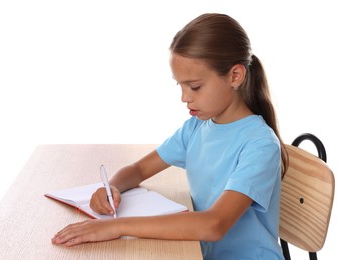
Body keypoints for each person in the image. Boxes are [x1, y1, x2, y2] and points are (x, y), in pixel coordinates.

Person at [52, 13, 288, 259]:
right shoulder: (196, 128)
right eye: (180, 85)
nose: (185, 97)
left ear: (235, 76)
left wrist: (117, 226)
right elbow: (138, 170)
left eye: (195, 86)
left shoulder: (259, 145)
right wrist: (111, 187)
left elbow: (214, 224)